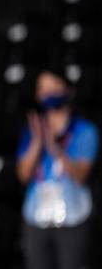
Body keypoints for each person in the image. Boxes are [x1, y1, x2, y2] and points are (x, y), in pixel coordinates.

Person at [16, 68, 98, 269]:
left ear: (68, 91)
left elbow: (80, 176)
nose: (48, 93)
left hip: (73, 218)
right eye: (43, 89)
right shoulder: (32, 130)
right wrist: (37, 143)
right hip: (36, 219)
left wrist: (56, 148)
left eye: (54, 87)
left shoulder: (84, 131)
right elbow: (23, 176)